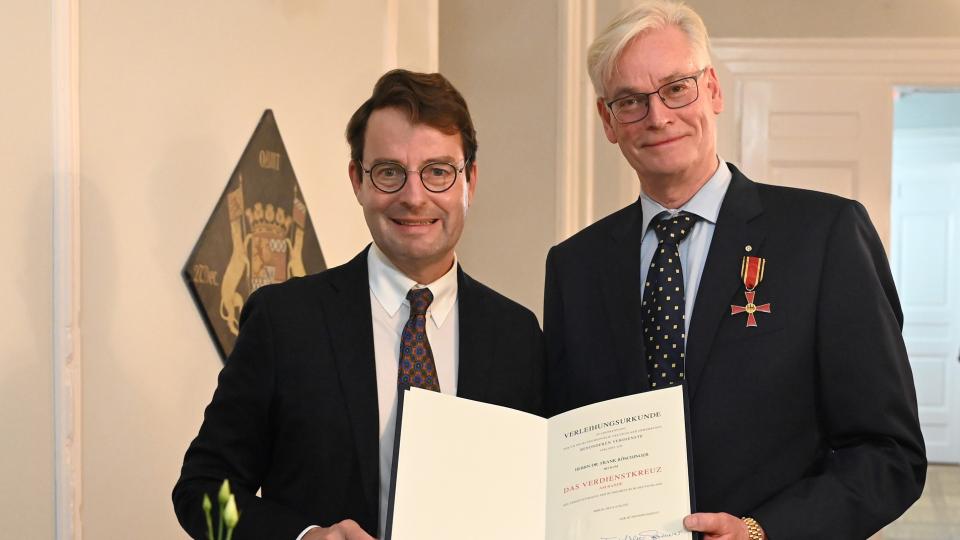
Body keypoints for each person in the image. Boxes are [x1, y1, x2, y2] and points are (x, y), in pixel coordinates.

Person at [543, 2, 926, 539]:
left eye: (677, 87)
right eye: (630, 101)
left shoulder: (824, 235)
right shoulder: (574, 267)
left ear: (713, 91)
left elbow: (890, 455)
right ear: (607, 120)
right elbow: (561, 440)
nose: (658, 116)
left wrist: (762, 531)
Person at [173, 69, 544, 540]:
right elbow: (202, 494)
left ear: (469, 179)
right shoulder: (284, 322)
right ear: (358, 181)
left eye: (437, 172)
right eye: (390, 172)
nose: (413, 197)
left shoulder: (517, 336)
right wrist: (304, 537)